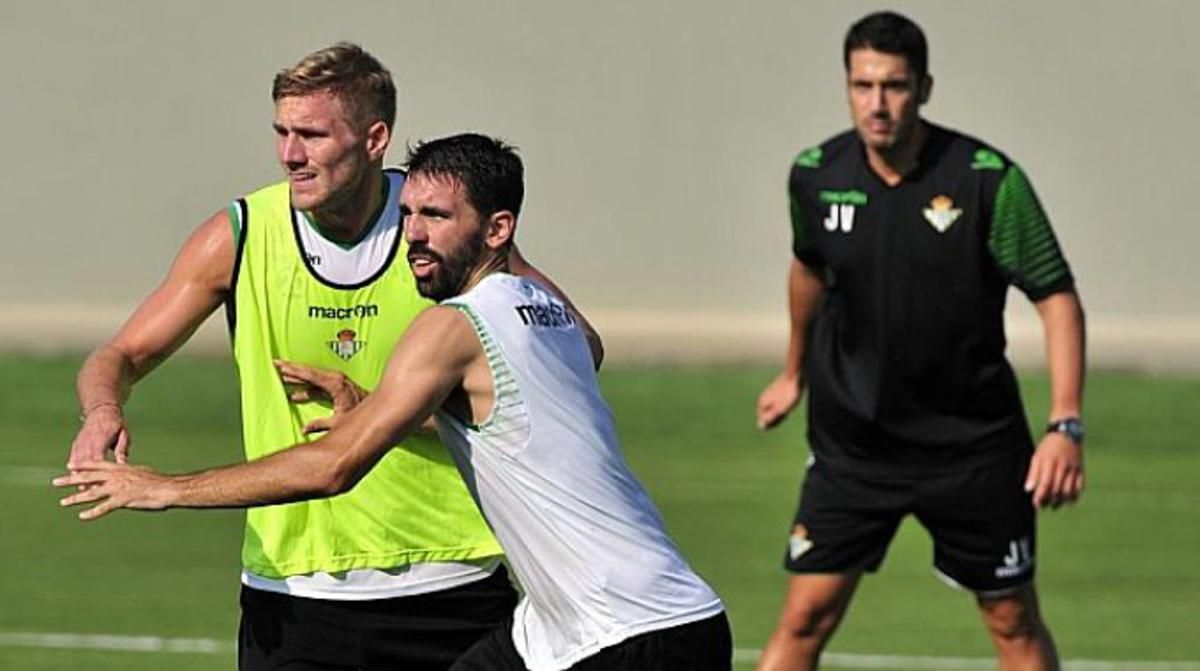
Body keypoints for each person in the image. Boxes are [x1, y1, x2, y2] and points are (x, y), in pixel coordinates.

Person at [58, 132, 732, 671]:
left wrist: (166, 488)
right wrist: (373, 404)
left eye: (437, 217)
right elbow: (522, 408)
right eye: (408, 213)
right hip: (573, 628)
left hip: (630, 633)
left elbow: (334, 466)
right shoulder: (547, 311)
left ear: (497, 230)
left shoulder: (452, 326)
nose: (413, 233)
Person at [753, 11, 1086, 671]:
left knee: (1013, 620)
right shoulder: (816, 175)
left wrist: (1064, 424)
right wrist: (793, 371)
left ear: (924, 88)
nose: (877, 104)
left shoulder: (987, 180)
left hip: (972, 447)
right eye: (863, 85)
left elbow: (1056, 298)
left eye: (895, 86)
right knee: (804, 617)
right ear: (847, 87)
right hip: (855, 446)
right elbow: (809, 270)